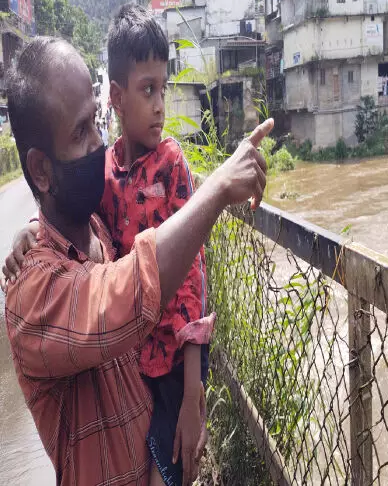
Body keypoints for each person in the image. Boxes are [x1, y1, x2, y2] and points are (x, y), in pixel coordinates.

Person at [1, 36, 272, 485]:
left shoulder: (103, 230)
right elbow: (122, 293)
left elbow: (187, 283)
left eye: (96, 124)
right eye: (80, 132)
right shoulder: (32, 292)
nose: (98, 143)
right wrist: (217, 189)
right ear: (42, 171)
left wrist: (190, 393)